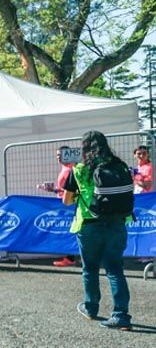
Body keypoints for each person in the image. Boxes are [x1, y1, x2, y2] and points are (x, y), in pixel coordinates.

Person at [63, 131, 133, 330]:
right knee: (115, 270)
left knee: (90, 269)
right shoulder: (119, 165)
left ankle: (91, 308)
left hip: (89, 225)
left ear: (84, 147)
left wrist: (79, 195)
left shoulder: (79, 169)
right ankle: (121, 315)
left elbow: (67, 201)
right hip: (117, 222)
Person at [46, 147, 78, 267]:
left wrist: (55, 190)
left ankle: (70, 257)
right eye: (57, 155)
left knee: (69, 230)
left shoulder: (72, 169)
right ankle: (69, 256)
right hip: (64, 202)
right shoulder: (66, 168)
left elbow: (72, 189)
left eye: (61, 155)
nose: (58, 157)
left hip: (69, 204)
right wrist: (54, 190)